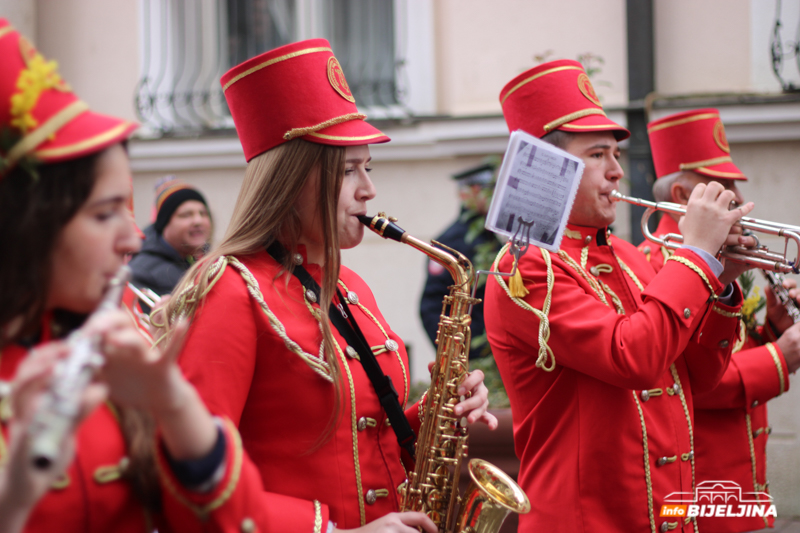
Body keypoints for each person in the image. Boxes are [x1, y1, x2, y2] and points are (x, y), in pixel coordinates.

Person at [160, 39, 495, 533]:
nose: (369, 189)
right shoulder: (230, 289)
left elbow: (359, 435)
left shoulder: (347, 284)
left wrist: (438, 414)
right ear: (290, 184)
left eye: (368, 167)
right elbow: (186, 484)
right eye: (348, 171)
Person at [0, 20, 265, 533]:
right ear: (27, 229)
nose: (133, 239)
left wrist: (174, 405)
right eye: (103, 215)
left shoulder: (111, 341)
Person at [483, 59, 753, 533]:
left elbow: (696, 375)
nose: (615, 173)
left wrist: (722, 282)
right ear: (548, 167)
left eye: (616, 156)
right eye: (597, 155)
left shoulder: (628, 255)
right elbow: (633, 357)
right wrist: (695, 257)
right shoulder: (524, 266)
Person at [642, 108, 800, 532]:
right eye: (722, 189)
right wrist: (780, 358)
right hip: (696, 492)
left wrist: (772, 329)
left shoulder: (718, 261)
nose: (737, 201)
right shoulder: (654, 267)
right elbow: (683, 381)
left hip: (739, 483)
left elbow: (721, 354)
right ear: (681, 197)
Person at [419, 162, 500, 360]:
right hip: (473, 355)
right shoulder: (450, 242)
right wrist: (459, 353)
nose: (493, 198)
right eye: (485, 191)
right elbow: (431, 306)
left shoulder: (492, 237)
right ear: (467, 194)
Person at [129, 178, 212, 296]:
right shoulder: (141, 273)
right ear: (165, 224)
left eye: (203, 213)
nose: (198, 221)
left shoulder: (206, 262)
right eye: (186, 215)